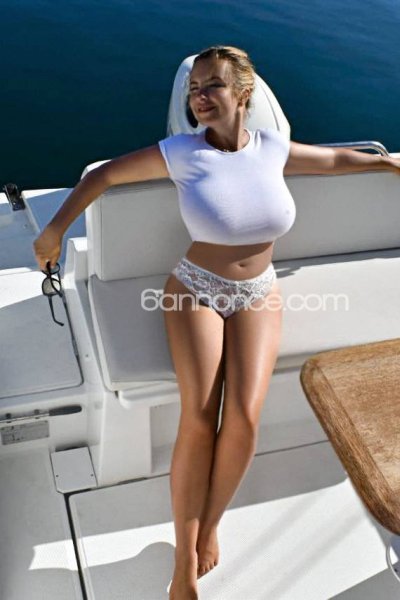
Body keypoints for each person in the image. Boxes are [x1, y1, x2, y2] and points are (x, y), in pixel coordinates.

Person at [34, 45, 400, 600]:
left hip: (259, 290)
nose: (200, 98)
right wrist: (54, 231)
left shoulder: (271, 148)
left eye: (213, 86)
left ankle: (210, 524)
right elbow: (104, 176)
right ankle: (184, 560)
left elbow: (333, 162)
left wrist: (385, 163)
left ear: (243, 94)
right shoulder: (182, 153)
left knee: (245, 420)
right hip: (195, 290)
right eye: (195, 89)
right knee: (200, 417)